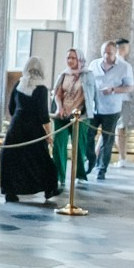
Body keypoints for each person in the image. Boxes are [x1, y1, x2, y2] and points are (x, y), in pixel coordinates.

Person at [0, 55, 60, 203]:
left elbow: (11, 107)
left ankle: (11, 191)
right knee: (41, 159)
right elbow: (43, 115)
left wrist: (17, 119)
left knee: (12, 158)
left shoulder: (19, 85)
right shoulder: (41, 89)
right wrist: (48, 135)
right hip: (33, 129)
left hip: (16, 127)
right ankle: (49, 188)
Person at [85, 40, 134, 180]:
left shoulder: (124, 67)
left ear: (115, 52)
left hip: (112, 108)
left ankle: (102, 168)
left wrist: (114, 89)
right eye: (105, 53)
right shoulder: (94, 64)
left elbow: (130, 87)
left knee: (107, 140)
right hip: (94, 107)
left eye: (110, 53)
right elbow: (88, 81)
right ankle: (91, 160)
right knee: (88, 136)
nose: (107, 56)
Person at [52, 48, 93, 186]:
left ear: (79, 59)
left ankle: (80, 174)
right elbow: (57, 93)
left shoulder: (87, 75)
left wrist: (76, 110)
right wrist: (60, 107)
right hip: (62, 115)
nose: (70, 61)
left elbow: (88, 95)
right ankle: (59, 176)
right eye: (68, 57)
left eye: (73, 58)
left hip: (79, 116)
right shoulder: (63, 75)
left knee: (79, 147)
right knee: (59, 145)